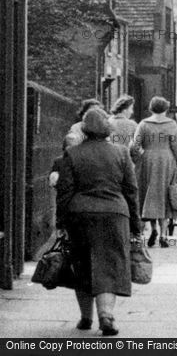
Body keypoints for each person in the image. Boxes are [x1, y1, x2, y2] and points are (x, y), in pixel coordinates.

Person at [55, 109, 141, 336]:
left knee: (82, 264)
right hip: (114, 215)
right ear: (107, 129)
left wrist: (61, 223)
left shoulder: (72, 154)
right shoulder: (122, 153)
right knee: (110, 266)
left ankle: (86, 317)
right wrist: (136, 226)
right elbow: (131, 192)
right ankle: (107, 315)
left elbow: (64, 193)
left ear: (84, 129)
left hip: (80, 216)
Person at [131, 96, 177, 248]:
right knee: (165, 196)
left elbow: (135, 146)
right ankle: (164, 235)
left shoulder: (143, 124)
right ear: (166, 109)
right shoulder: (171, 124)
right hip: (167, 161)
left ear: (151, 108)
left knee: (150, 195)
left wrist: (139, 158)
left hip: (147, 161)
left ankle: (153, 229)